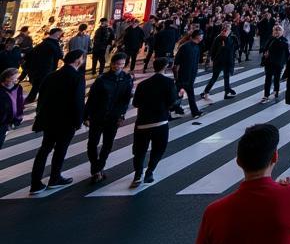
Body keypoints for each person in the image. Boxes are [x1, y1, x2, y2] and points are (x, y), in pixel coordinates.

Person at [29, 48, 86, 193]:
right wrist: (79, 121)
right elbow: (78, 102)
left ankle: (35, 183)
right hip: (66, 121)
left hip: (49, 119)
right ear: (78, 60)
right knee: (60, 150)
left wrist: (40, 118)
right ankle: (55, 178)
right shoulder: (77, 77)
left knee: (44, 150)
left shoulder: (51, 76)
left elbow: (41, 99)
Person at [84, 51, 134, 184]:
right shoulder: (102, 79)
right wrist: (86, 115)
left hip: (114, 116)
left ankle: (98, 168)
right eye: (117, 64)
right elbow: (92, 99)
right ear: (112, 64)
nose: (119, 67)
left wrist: (122, 115)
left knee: (108, 143)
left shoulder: (127, 78)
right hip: (98, 115)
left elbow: (126, 100)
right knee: (92, 143)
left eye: (122, 64)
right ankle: (96, 168)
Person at [130, 56, 178, 187]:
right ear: (165, 67)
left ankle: (138, 174)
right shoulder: (169, 83)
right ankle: (149, 172)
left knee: (139, 151)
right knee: (158, 149)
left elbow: (136, 103)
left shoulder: (143, 84)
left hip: (142, 123)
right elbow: (172, 103)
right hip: (160, 122)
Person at [24, 27, 63, 103]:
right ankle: (38, 99)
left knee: (37, 85)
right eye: (60, 34)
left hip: (39, 68)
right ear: (56, 34)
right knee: (42, 85)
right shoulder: (53, 44)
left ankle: (31, 98)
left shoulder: (43, 43)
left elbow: (30, 54)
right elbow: (59, 55)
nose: (61, 36)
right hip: (47, 68)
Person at [202, 24, 238, 100]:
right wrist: (211, 59)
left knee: (226, 77)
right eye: (227, 29)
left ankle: (227, 91)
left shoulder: (230, 37)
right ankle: (206, 91)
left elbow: (234, 47)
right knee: (215, 77)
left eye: (228, 29)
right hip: (219, 61)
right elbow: (214, 50)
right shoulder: (219, 38)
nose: (228, 31)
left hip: (226, 61)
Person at [174, 30, 204, 119]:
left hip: (190, 75)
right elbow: (176, 63)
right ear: (197, 36)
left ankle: (176, 109)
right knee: (184, 94)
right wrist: (176, 76)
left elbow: (196, 62)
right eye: (201, 36)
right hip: (184, 75)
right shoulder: (185, 47)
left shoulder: (196, 47)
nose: (202, 38)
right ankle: (194, 112)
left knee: (180, 93)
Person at [261, 24, 290, 103]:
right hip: (269, 62)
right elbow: (265, 48)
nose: (277, 31)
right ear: (273, 31)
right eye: (275, 30)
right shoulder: (270, 39)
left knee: (277, 78)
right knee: (268, 79)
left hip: (278, 63)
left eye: (279, 30)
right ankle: (266, 95)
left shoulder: (284, 40)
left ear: (282, 32)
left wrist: (288, 63)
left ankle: (276, 91)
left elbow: (286, 52)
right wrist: (265, 54)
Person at [0, 67, 25, 150]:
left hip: (5, 123)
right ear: (6, 78)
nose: (16, 81)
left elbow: (20, 103)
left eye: (17, 79)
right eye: (14, 79)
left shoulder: (18, 88)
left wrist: (18, 118)